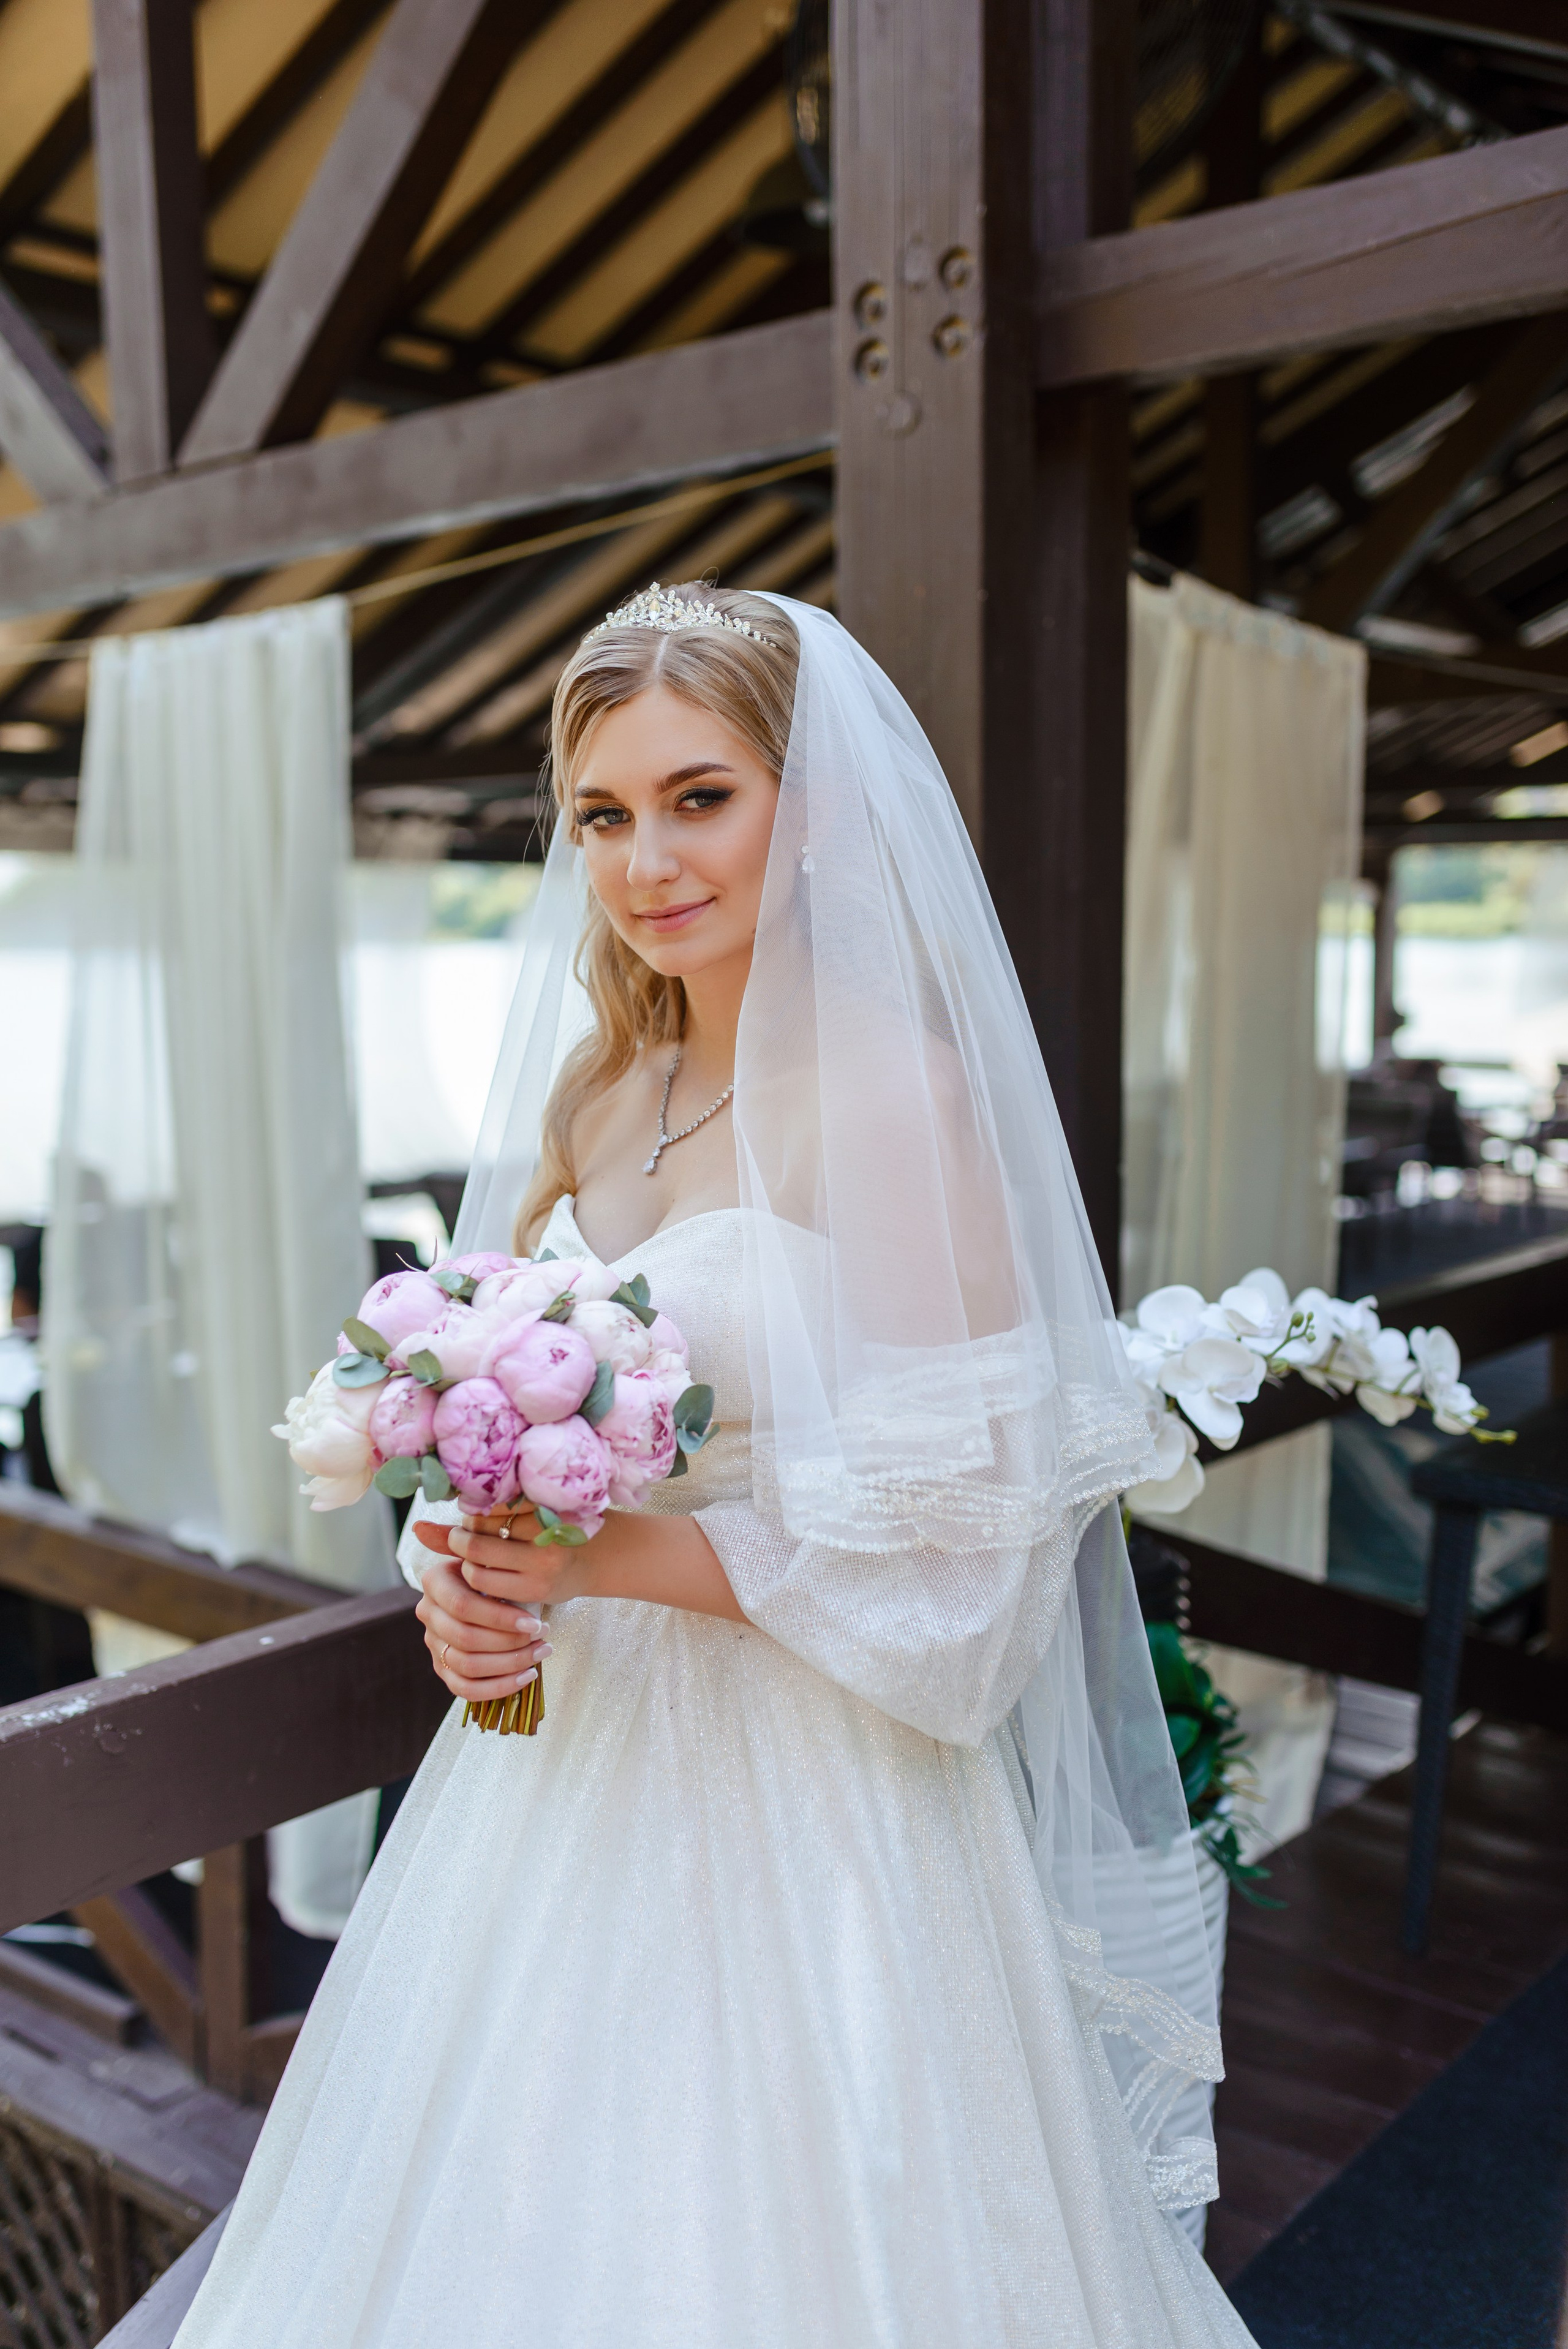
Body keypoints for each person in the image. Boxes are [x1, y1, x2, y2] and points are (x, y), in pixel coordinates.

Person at [175, 586, 1259, 2347]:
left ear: (807, 805)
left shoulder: (895, 1098)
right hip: (559, 1780)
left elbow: (968, 1566)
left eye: (700, 797)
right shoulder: (604, 1093)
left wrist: (602, 1562)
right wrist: (468, 1587)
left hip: (813, 1792)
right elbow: (496, 1433)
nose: (644, 859)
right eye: (602, 812)